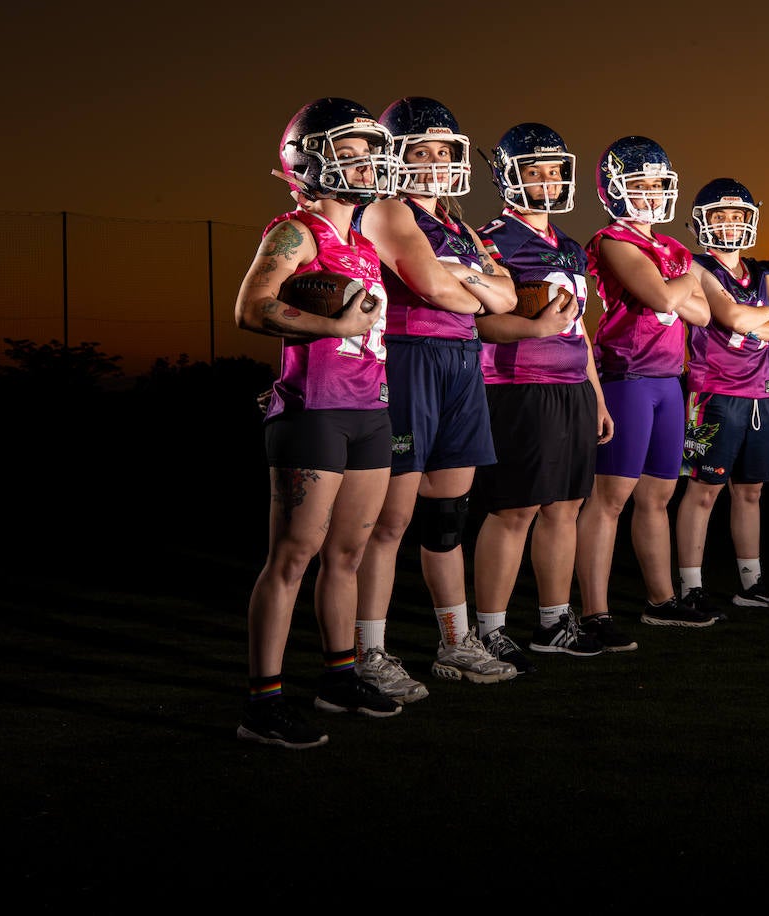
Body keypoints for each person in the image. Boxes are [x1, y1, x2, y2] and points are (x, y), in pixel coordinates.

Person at [232, 97, 402, 749]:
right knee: (293, 556)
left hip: (368, 411)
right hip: (313, 413)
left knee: (348, 555)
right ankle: (262, 702)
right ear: (312, 161)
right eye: (351, 153)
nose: (366, 165)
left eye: (369, 153)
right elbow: (250, 307)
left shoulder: (362, 242)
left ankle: (339, 676)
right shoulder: (296, 231)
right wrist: (332, 326)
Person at [352, 97, 519, 695]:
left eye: (443, 152)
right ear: (394, 155)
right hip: (408, 359)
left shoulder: (460, 226)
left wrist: (468, 284)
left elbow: (507, 299)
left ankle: (454, 640)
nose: (434, 163)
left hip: (461, 363)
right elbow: (434, 290)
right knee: (389, 521)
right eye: (419, 150)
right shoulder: (386, 210)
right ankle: (368, 651)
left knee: (448, 518)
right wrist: (476, 286)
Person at [470, 123, 621, 669]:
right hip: (516, 389)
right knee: (516, 509)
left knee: (566, 507)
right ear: (510, 176)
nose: (548, 181)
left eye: (555, 171)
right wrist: (532, 331)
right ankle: (488, 630)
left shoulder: (572, 246)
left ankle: (554, 621)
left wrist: (597, 396)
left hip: (571, 389)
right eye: (535, 171)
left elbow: (577, 328)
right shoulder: (488, 241)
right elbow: (481, 325)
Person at [574, 136, 714, 630]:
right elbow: (662, 295)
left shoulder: (672, 246)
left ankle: (660, 600)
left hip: (667, 381)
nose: (652, 195)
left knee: (657, 498)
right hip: (627, 376)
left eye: (658, 185)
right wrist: (678, 288)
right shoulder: (612, 240)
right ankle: (594, 611)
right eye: (640, 184)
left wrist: (674, 293)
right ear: (615, 189)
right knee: (609, 499)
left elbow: (701, 310)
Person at [674, 178, 769, 618]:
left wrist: (752, 319)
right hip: (715, 392)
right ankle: (691, 586)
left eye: (738, 215)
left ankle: (751, 584)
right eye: (720, 216)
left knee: (751, 491)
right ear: (701, 222)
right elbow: (730, 316)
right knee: (704, 490)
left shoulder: (762, 270)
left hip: (765, 393)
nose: (730, 224)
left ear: (751, 220)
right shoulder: (697, 267)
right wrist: (761, 317)